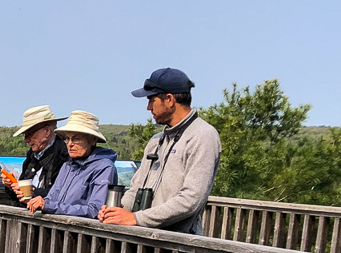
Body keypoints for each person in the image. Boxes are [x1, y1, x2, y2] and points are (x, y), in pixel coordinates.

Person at [98, 67, 221, 235]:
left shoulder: (203, 136)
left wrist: (136, 218)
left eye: (151, 100)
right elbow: (136, 187)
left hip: (178, 243)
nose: (148, 107)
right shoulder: (156, 140)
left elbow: (191, 199)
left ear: (169, 99)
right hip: (144, 238)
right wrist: (117, 211)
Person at [24, 111, 117, 218]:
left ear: (93, 140)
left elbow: (96, 210)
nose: (70, 144)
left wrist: (49, 206)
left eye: (76, 139)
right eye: (67, 139)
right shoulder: (67, 166)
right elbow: (51, 199)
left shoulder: (104, 167)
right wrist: (39, 201)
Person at [13, 105, 69, 198]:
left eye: (29, 134)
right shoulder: (32, 155)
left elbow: (63, 195)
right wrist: (12, 187)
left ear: (47, 131)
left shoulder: (65, 155)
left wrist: (34, 192)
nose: (26, 140)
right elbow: (22, 194)